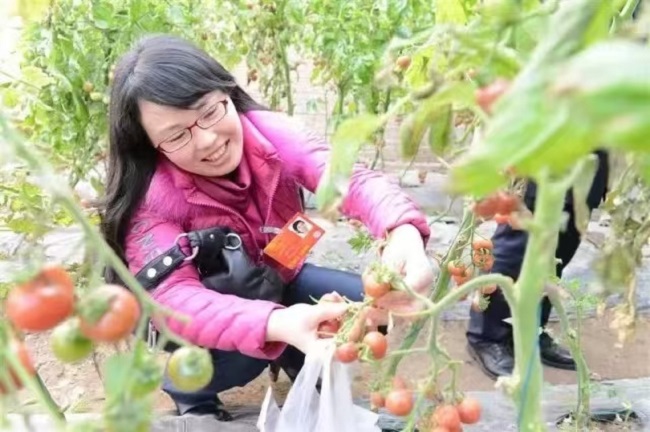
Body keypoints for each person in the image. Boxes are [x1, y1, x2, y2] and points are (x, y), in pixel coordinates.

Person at [99, 34, 434, 420]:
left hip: (275, 274)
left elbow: (349, 179)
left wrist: (401, 230)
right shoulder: (152, 200)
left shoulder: (271, 135)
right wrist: (275, 322)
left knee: (362, 305)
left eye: (210, 111)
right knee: (246, 354)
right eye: (176, 135)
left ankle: (294, 355)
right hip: (207, 310)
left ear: (227, 93)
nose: (207, 140)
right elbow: (175, 299)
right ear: (149, 145)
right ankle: (189, 388)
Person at [466, 151, 609, 379]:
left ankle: (530, 330)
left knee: (556, 256)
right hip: (548, 155)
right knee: (516, 249)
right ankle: (486, 336)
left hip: (591, 161)